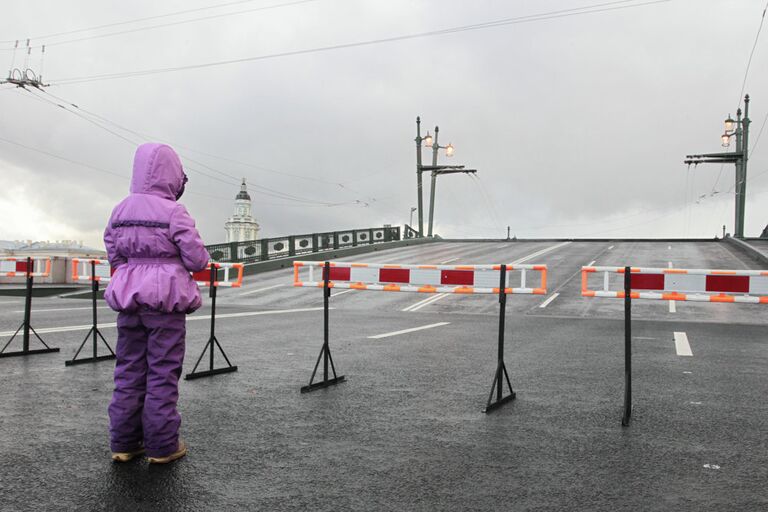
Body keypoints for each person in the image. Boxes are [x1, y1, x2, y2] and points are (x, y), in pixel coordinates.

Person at [103, 143, 210, 464]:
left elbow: (113, 252)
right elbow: (197, 259)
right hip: (165, 304)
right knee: (162, 372)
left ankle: (123, 443)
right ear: (172, 176)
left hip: (129, 299)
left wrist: (134, 267)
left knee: (128, 370)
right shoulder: (174, 212)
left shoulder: (120, 209)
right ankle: (163, 446)